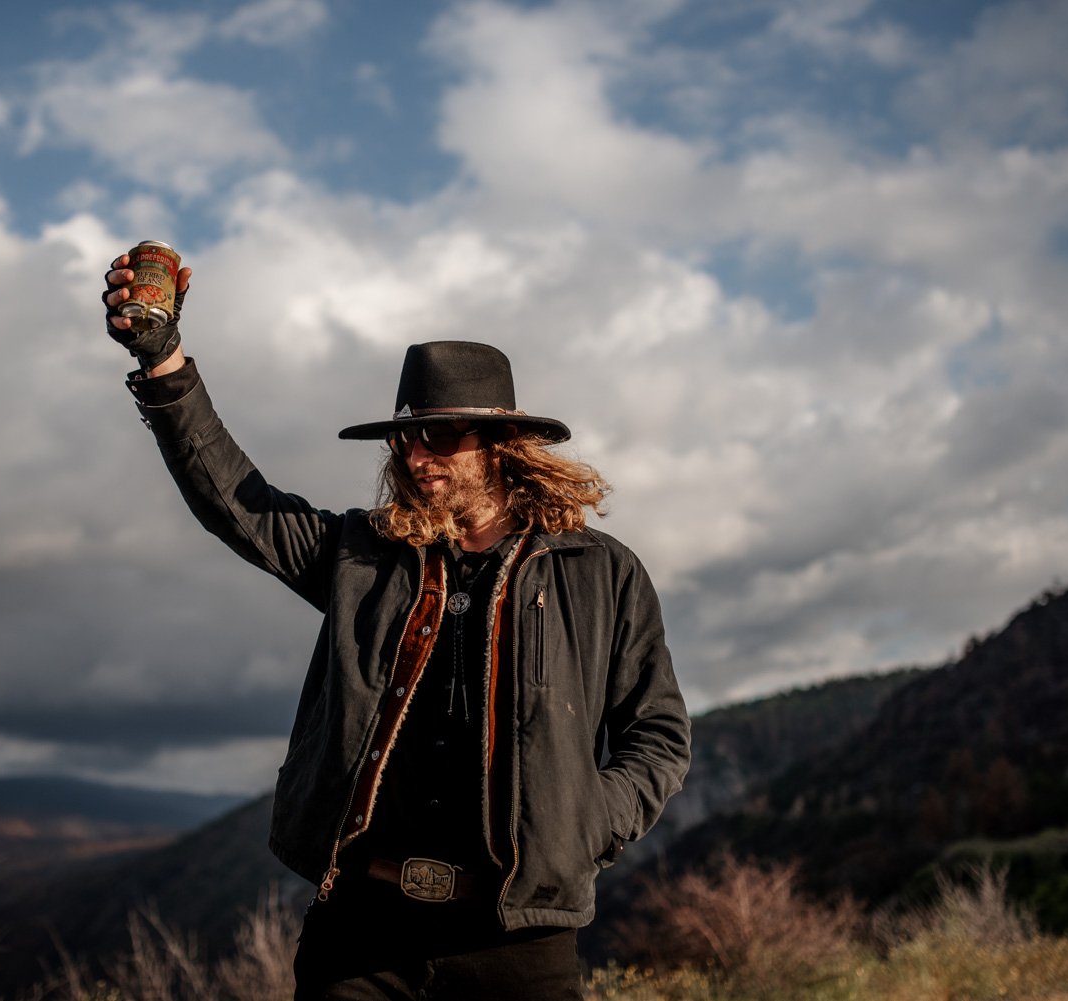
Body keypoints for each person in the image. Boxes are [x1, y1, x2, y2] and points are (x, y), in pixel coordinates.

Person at [102, 254, 691, 1000]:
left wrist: (586, 821)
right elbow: (239, 504)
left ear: (500, 445)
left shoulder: (600, 572)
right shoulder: (363, 555)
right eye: (405, 437)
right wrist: (164, 365)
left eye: (440, 436)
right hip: (363, 933)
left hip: (518, 939)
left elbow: (658, 734)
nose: (416, 454)